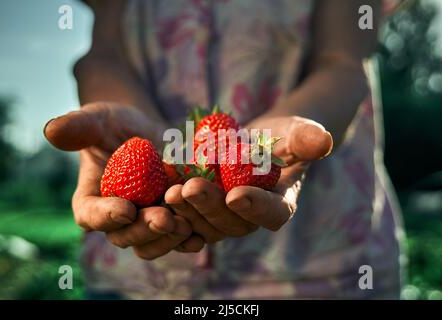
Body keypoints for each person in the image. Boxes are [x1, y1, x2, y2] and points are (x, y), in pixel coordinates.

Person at [44, 0, 403, 299]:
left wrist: (293, 128)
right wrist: (122, 120)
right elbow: (105, 54)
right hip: (134, 282)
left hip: (323, 266)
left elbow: (342, 61)